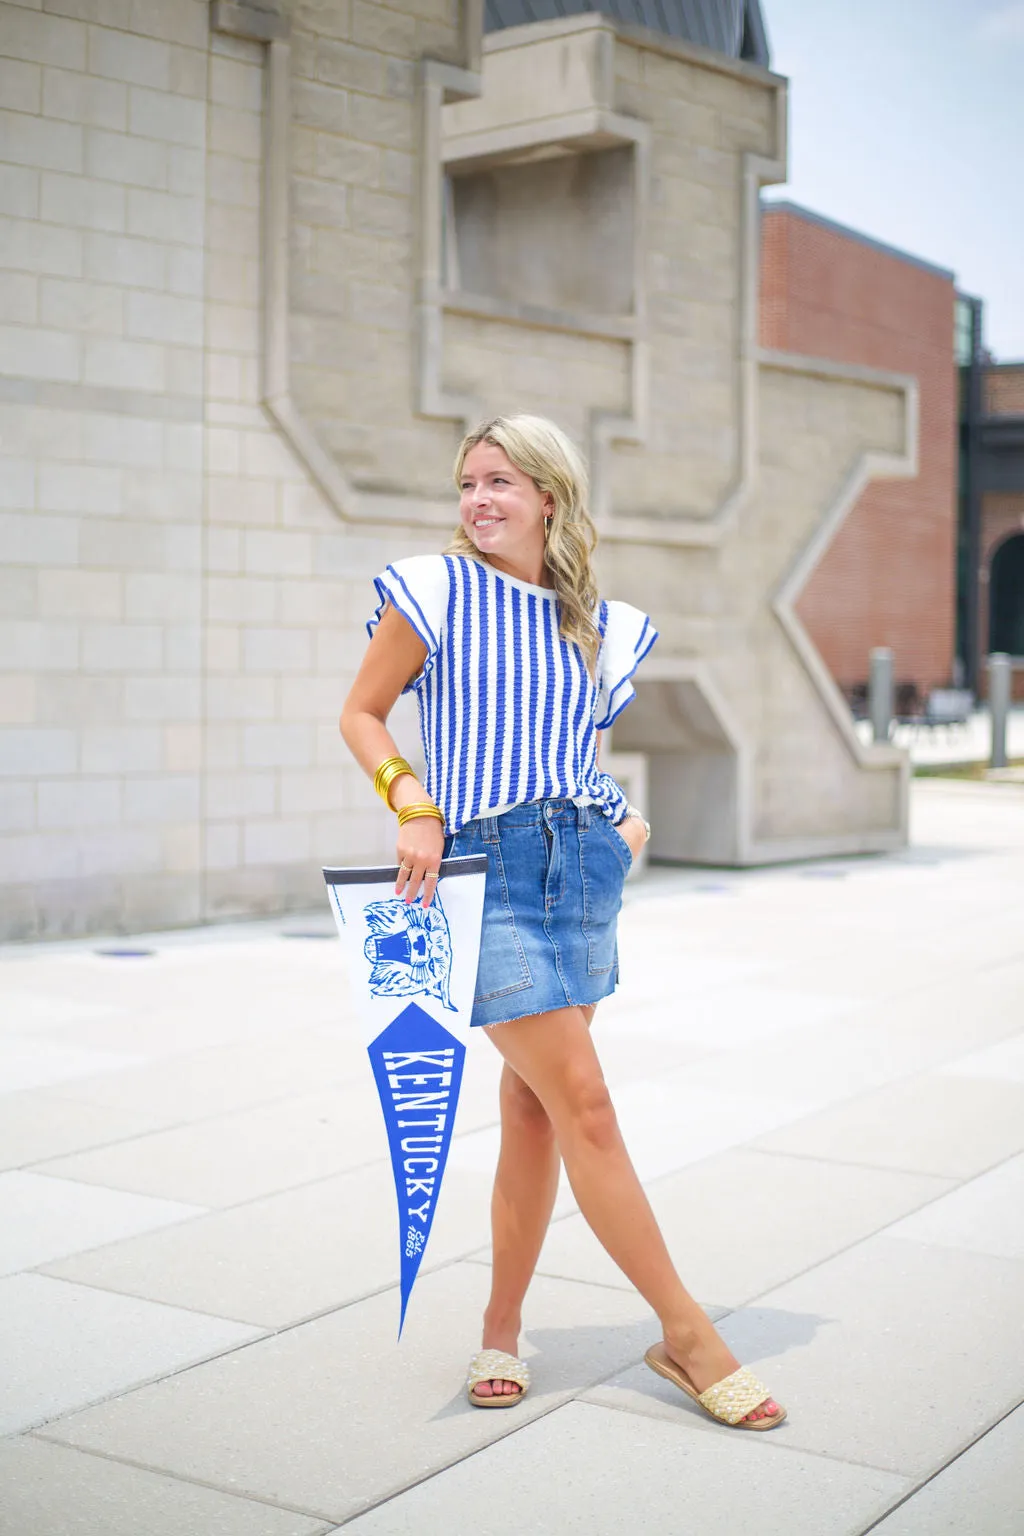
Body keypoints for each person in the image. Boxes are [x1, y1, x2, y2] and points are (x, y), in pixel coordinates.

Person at [340, 414, 785, 1430]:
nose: (478, 502)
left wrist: (620, 819)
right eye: (467, 484)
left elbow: (568, 747)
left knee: (537, 1110)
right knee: (583, 1101)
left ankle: (500, 1329)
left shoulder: (596, 621)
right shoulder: (435, 591)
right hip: (482, 870)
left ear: (550, 495)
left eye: (500, 482)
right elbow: (360, 714)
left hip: (579, 868)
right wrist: (412, 804)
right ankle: (688, 1336)